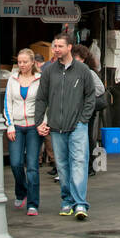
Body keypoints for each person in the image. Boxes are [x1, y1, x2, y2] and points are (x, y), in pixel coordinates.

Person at [35, 32, 96, 220]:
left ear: (70, 47)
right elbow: (41, 98)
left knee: (78, 162)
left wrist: (83, 119)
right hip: (56, 126)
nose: (56, 49)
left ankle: (80, 203)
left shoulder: (82, 70)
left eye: (60, 46)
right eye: (55, 46)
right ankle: (67, 200)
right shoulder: (48, 71)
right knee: (62, 165)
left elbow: (90, 96)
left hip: (77, 125)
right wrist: (39, 121)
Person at [4, 49, 42, 215]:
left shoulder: (40, 80)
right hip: (17, 126)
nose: (22, 65)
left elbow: (44, 103)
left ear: (32, 62)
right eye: (20, 62)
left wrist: (43, 123)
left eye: (25, 62)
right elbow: (8, 103)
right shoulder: (12, 79)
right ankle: (21, 191)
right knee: (16, 163)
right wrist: (10, 125)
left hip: (34, 126)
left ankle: (33, 203)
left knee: (32, 166)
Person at [73, 44, 107, 177]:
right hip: (82, 108)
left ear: (82, 59)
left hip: (88, 109)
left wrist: (86, 97)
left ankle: (90, 166)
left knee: (86, 136)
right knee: (85, 136)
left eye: (76, 57)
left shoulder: (88, 72)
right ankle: (89, 166)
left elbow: (100, 89)